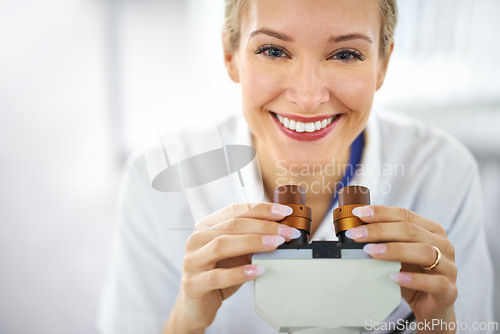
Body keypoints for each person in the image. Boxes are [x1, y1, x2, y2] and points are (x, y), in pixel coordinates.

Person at [97, 0, 495, 333]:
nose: (307, 97)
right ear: (230, 56)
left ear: (383, 65)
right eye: (273, 50)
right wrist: (186, 320)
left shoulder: (443, 173)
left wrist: (440, 324)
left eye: (345, 54)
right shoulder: (159, 176)